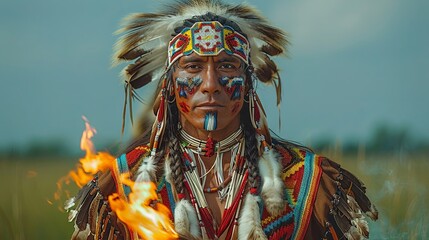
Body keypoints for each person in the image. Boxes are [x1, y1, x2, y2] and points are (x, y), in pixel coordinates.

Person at [66, 0, 378, 239]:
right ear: (170, 85)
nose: (211, 83)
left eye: (228, 66)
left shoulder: (310, 182)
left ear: (248, 81)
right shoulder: (121, 185)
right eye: (192, 67)